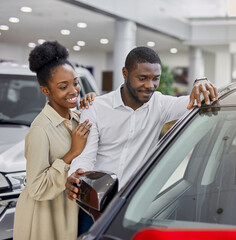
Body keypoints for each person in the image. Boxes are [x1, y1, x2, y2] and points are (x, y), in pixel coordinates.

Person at [66, 46, 218, 233]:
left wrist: (201, 80)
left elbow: (201, 100)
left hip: (134, 208)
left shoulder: (160, 105)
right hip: (94, 208)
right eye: (143, 78)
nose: (150, 86)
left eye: (156, 79)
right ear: (125, 73)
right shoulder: (96, 107)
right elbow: (86, 155)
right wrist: (77, 174)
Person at [13, 41, 95, 240]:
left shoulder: (77, 118)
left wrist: (95, 104)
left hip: (73, 212)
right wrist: (71, 154)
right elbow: (37, 187)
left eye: (75, 82)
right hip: (45, 218)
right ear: (46, 91)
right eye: (63, 86)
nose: (74, 90)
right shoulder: (40, 130)